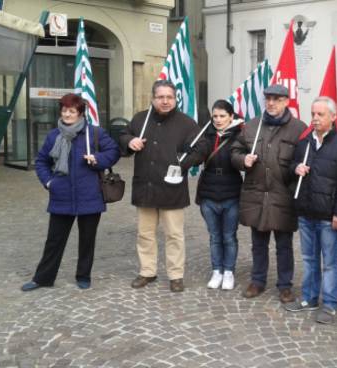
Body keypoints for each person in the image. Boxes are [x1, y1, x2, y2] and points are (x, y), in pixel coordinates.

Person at [22, 93, 120, 291]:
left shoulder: (95, 133)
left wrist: (97, 159)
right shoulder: (53, 136)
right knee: (54, 240)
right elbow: (42, 161)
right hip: (61, 194)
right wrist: (49, 182)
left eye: (72, 111)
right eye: (64, 110)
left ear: (80, 113)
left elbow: (114, 152)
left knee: (87, 240)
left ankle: (83, 275)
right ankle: (43, 278)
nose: (67, 114)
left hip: (90, 195)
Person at [119, 79, 200, 292]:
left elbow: (201, 148)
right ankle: (147, 271)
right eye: (160, 97)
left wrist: (183, 163)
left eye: (169, 97)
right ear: (153, 99)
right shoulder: (140, 119)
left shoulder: (187, 123)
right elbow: (123, 135)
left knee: (174, 235)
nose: (165, 101)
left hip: (171, 188)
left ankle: (176, 275)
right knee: (145, 234)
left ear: (175, 99)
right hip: (145, 186)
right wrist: (129, 141)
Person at [284, 97, 337, 324]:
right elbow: (290, 169)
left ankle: (330, 304)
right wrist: (295, 168)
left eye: (321, 115)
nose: (315, 119)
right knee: (308, 259)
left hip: (329, 216)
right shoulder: (305, 143)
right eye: (313, 114)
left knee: (329, 262)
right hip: (306, 211)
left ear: (333, 117)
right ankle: (309, 298)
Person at [230, 84, 307, 303]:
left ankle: (285, 286)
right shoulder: (252, 126)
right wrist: (242, 160)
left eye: (276, 99)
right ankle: (258, 281)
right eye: (268, 99)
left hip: (283, 195)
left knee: (284, 245)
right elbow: (235, 150)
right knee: (259, 243)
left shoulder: (299, 129)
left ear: (286, 102)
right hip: (256, 194)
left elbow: (304, 158)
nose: (271, 103)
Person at [188, 100, 244, 290]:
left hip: (232, 193)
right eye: (215, 116)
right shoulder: (205, 134)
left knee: (229, 236)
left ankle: (228, 271)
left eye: (222, 116)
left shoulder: (240, 135)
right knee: (214, 236)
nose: (218, 120)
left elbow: (241, 160)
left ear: (231, 117)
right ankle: (216, 270)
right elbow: (197, 157)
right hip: (209, 193)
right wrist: (188, 154)